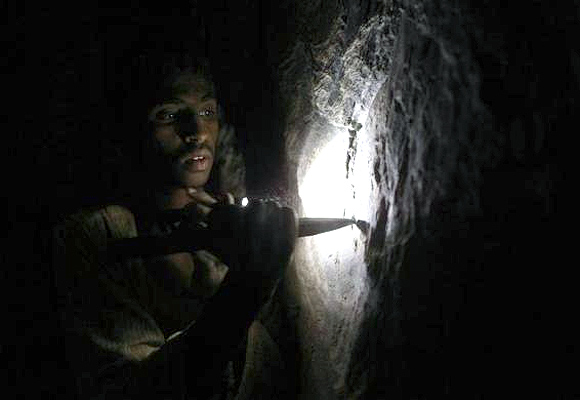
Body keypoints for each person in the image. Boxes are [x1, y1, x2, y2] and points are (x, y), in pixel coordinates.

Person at [52, 55, 298, 399]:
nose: (196, 133)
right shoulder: (98, 236)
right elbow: (133, 391)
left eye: (207, 112)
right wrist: (247, 286)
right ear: (129, 127)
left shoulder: (226, 215)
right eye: (168, 115)